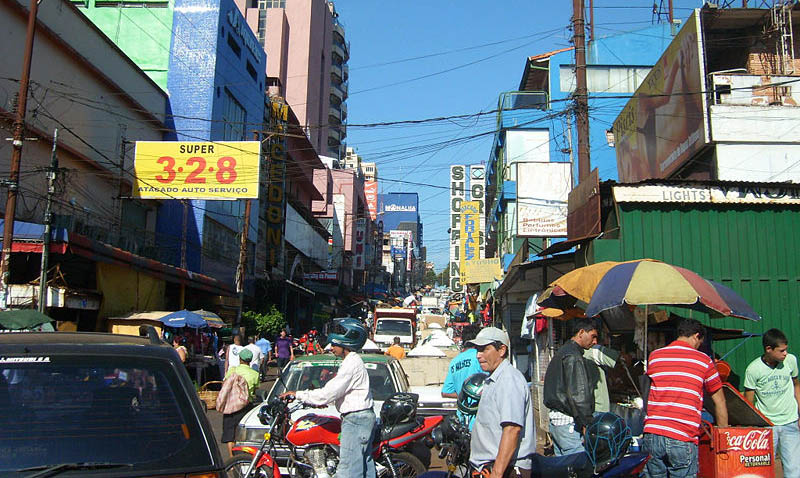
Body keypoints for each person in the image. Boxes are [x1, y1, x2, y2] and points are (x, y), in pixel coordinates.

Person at [280, 319, 376, 478]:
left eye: (334, 344)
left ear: (345, 344)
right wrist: (324, 401)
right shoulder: (352, 361)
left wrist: (298, 394)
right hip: (360, 418)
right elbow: (340, 393)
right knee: (364, 467)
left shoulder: (351, 363)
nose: (331, 348)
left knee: (349, 471)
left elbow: (328, 392)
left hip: (355, 420)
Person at [642, 318, 728, 478]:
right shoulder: (704, 361)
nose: (699, 346)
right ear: (696, 336)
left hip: (652, 435)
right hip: (682, 436)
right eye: (700, 342)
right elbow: (720, 400)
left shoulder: (655, 356)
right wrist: (722, 435)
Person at [468, 327, 535, 478]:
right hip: (490, 467)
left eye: (485, 349)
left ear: (502, 350)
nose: (478, 355)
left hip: (507, 469)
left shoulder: (508, 380)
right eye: (477, 350)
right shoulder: (493, 379)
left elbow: (512, 429)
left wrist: (497, 473)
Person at [744, 328, 800, 478]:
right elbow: (749, 401)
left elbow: (796, 385)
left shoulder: (791, 361)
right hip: (767, 426)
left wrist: (799, 413)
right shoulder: (753, 369)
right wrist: (753, 425)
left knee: (794, 470)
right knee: (763, 467)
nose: (785, 353)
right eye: (781, 350)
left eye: (786, 350)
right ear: (768, 349)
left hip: (790, 422)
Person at [543, 318, 599, 456]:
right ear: (581, 333)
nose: (595, 342)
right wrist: (587, 422)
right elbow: (578, 395)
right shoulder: (573, 356)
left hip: (557, 422)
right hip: (568, 423)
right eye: (593, 336)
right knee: (578, 465)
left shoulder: (563, 352)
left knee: (563, 467)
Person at [221, 348, 259, 456]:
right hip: (246, 406)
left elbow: (225, 384)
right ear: (250, 360)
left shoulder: (232, 370)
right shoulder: (254, 374)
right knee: (243, 432)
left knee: (230, 434)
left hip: (231, 405)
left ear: (240, 359)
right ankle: (244, 455)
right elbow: (255, 390)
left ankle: (232, 458)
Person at [442, 325, 484, 399]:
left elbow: (445, 392)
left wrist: (463, 396)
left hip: (462, 409)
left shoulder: (454, 361)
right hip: (479, 408)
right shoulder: (480, 357)